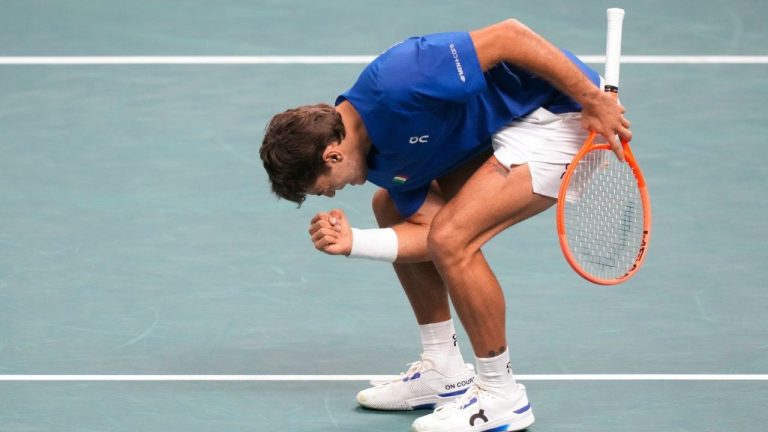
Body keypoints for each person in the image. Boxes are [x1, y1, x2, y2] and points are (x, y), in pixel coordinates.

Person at [260, 18, 630, 432]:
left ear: (331, 156)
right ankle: (444, 370)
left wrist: (591, 99)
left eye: (321, 188)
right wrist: (354, 242)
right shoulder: (381, 161)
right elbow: (426, 234)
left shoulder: (401, 79)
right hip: (506, 125)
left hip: (566, 113)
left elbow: (510, 36)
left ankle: (502, 394)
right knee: (393, 208)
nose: (330, 195)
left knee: (456, 239)